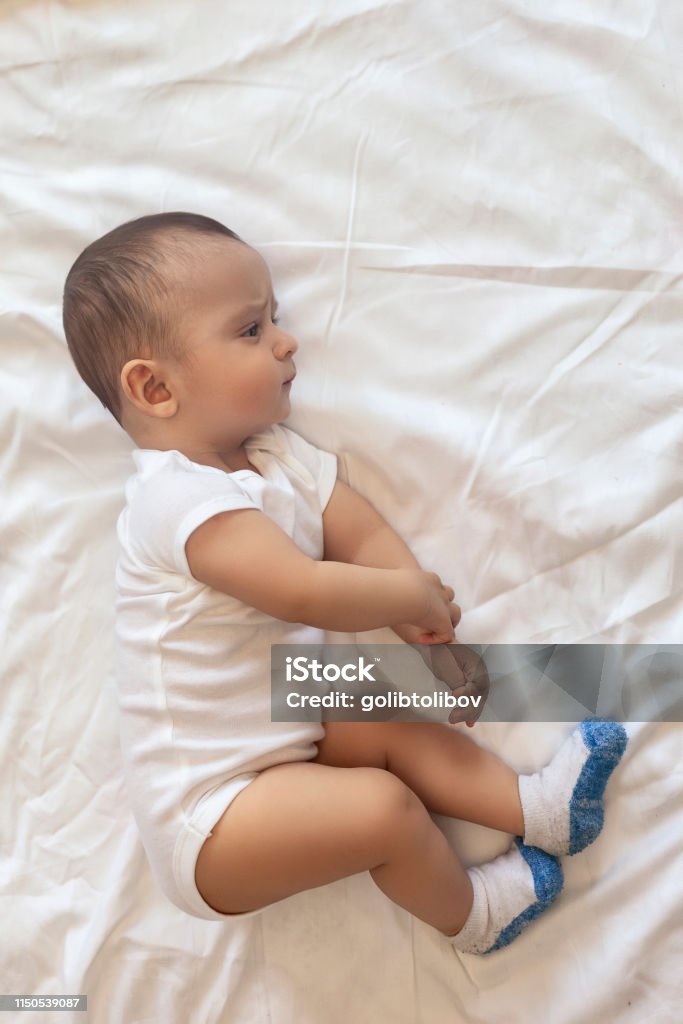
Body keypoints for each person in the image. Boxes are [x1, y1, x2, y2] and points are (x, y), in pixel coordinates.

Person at [62, 211, 628, 955]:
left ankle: (535, 809)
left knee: (371, 707)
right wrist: (406, 597)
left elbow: (357, 535)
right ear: (155, 388)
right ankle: (474, 916)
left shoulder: (276, 459)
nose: (285, 340)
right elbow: (296, 588)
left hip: (288, 739)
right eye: (249, 331)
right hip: (211, 823)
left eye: (275, 318)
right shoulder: (174, 500)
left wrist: (425, 632)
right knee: (381, 811)